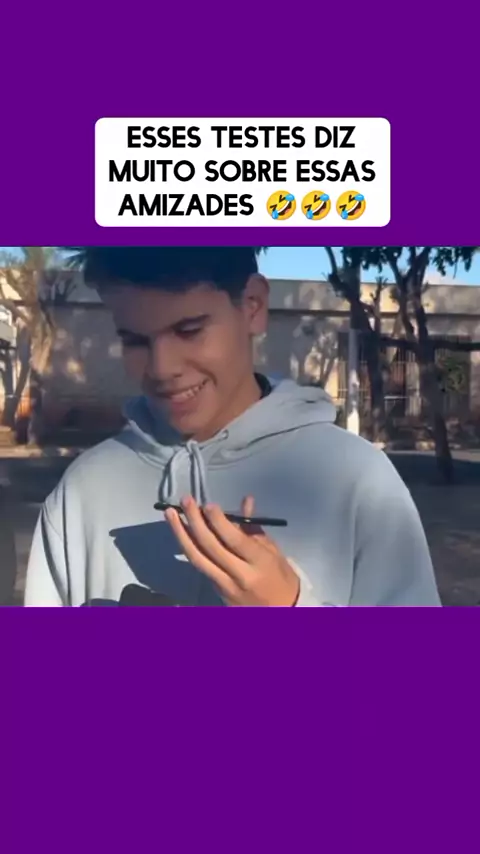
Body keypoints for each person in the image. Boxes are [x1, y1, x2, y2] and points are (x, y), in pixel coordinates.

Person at [24, 247, 441, 607]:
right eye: (135, 340)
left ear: (253, 306)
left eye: (189, 331)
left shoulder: (358, 480)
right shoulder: (82, 490)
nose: (162, 368)